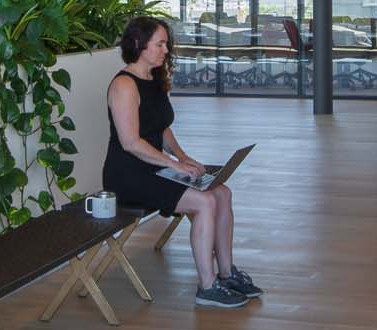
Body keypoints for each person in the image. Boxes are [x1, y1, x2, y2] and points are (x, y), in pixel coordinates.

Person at [103, 16, 261, 308]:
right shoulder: (124, 86)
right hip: (129, 174)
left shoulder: (153, 79)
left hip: (155, 167)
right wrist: (175, 166)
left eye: (166, 44)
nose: (166, 50)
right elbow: (131, 143)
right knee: (205, 202)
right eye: (160, 44)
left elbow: (161, 128)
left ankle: (226, 273)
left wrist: (184, 157)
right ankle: (207, 285)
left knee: (222, 193)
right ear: (139, 44)